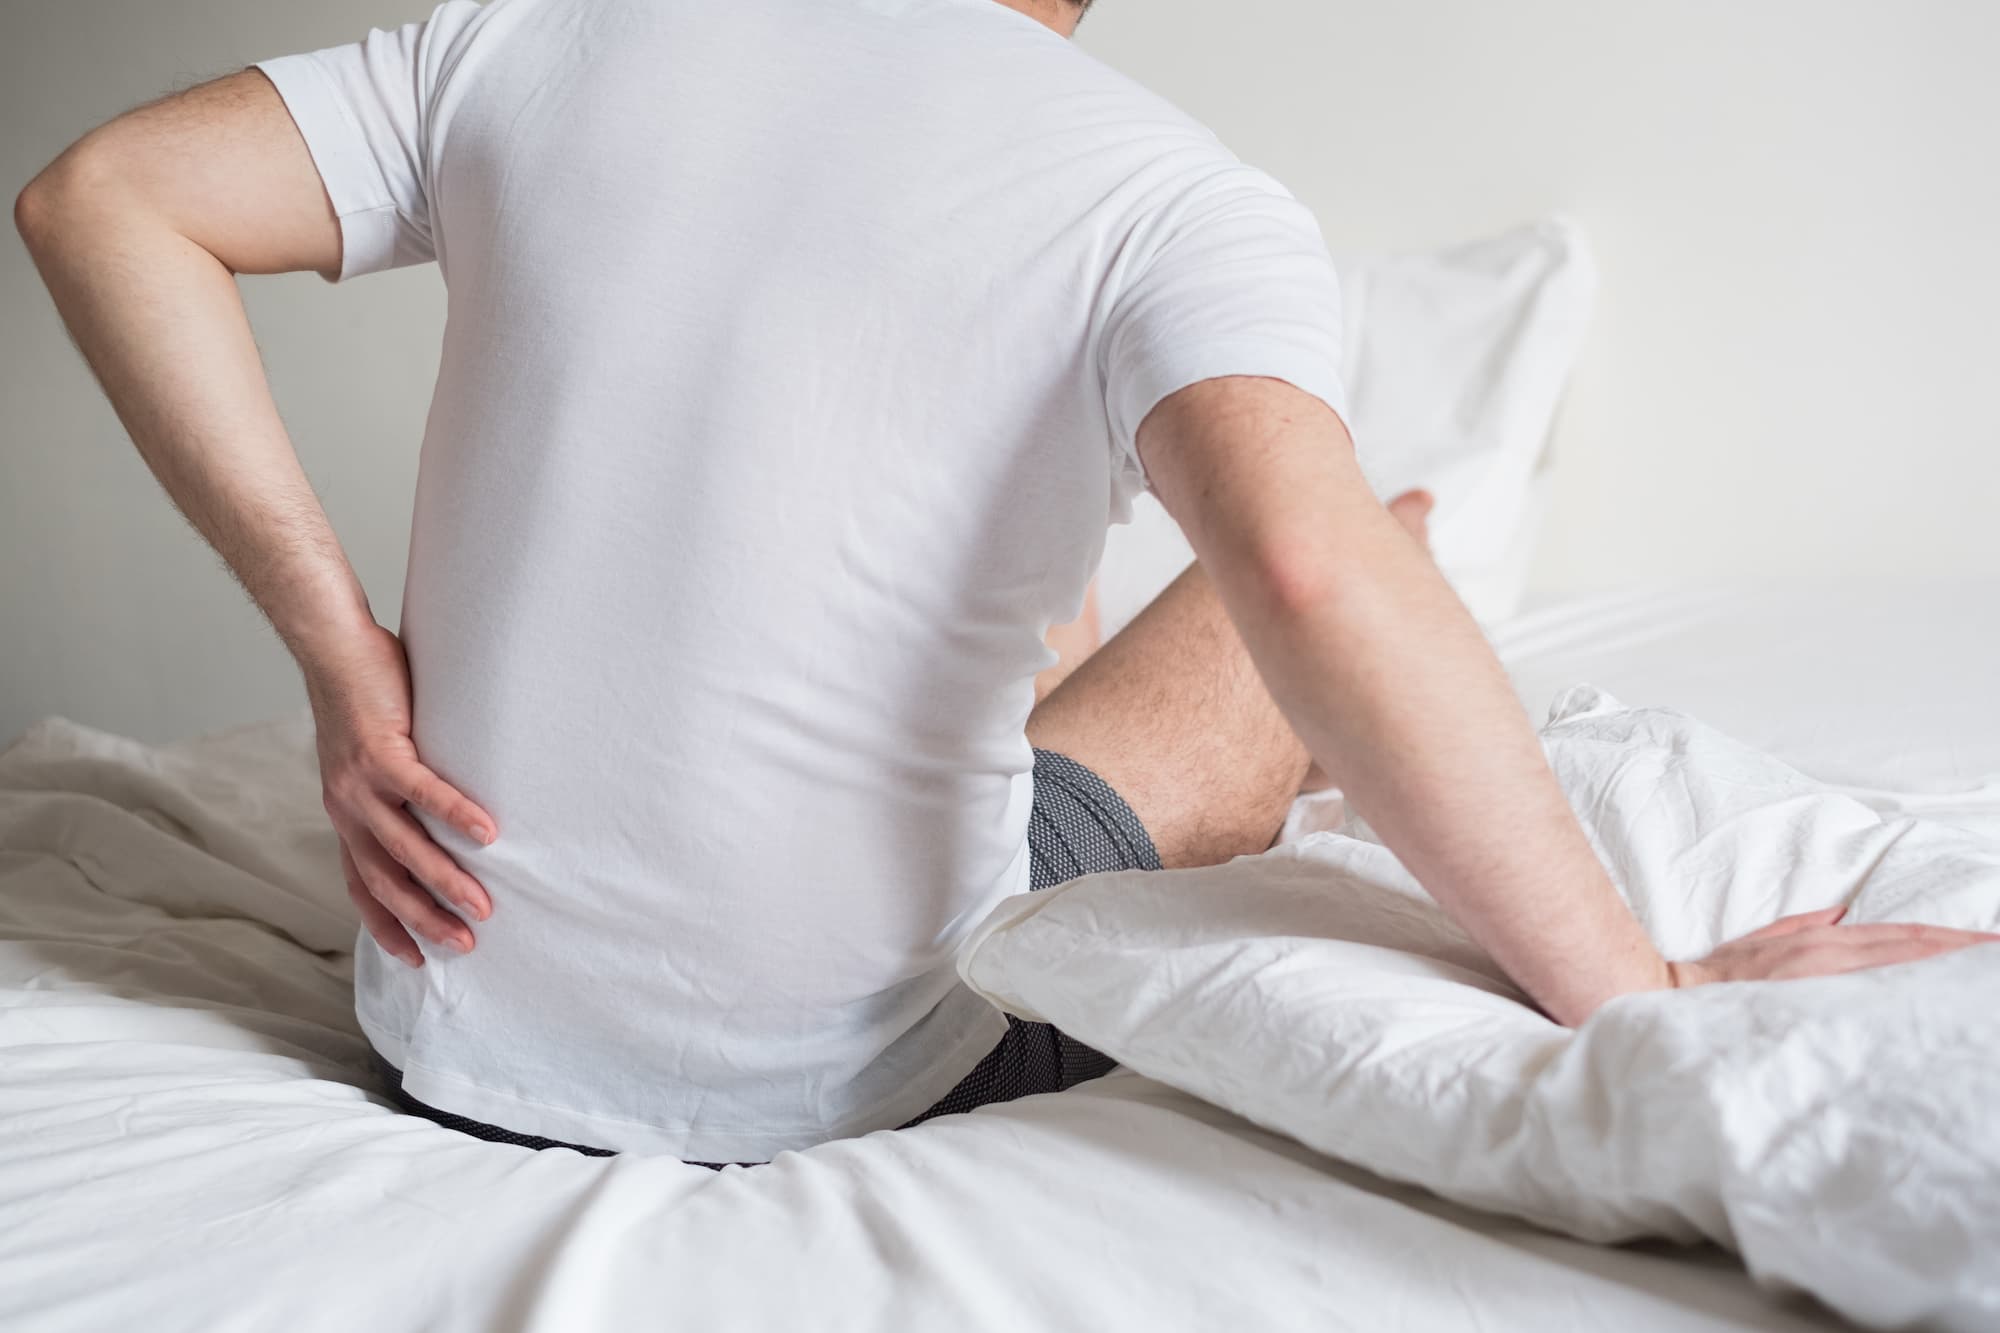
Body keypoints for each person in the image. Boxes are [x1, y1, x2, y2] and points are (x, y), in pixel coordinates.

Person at [17, 0, 1992, 1168]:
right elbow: (1300, 568)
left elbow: (94, 195)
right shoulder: (1156, 187)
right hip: (865, 1075)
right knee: (1372, 532)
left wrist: (341, 657)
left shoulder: (544, 36)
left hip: (440, 1037)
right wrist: (1637, 996)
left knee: (1036, 589)